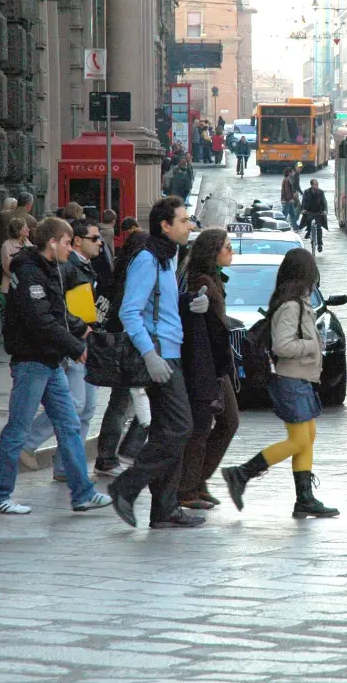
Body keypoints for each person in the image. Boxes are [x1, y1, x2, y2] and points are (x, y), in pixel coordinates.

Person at [0, 218, 112, 515]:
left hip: (49, 361)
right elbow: (41, 321)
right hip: (32, 362)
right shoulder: (30, 274)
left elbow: (58, 312)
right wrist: (76, 346)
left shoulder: (47, 270)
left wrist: (80, 330)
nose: (70, 247)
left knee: (68, 424)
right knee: (18, 429)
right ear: (52, 242)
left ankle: (82, 493)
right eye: (67, 242)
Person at [107, 196, 209, 530]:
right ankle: (127, 486)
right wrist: (150, 355)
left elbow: (161, 304)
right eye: (183, 221)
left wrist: (190, 301)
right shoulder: (148, 259)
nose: (188, 226)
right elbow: (129, 311)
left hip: (170, 352)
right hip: (159, 356)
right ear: (165, 226)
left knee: (171, 430)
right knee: (180, 427)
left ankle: (164, 510)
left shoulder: (167, 258)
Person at [221, 249, 339, 519]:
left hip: (300, 378)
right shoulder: (291, 306)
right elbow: (282, 345)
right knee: (299, 440)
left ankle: (305, 498)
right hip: (290, 379)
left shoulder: (299, 302)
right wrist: (313, 345)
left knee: (307, 437)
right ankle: (242, 473)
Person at [20, 219, 105, 480]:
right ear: (77, 241)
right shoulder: (66, 265)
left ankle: (67, 466)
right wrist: (79, 331)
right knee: (75, 405)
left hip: (85, 341)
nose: (100, 242)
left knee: (87, 407)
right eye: (94, 237)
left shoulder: (83, 266)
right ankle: (27, 443)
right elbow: (59, 309)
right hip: (73, 343)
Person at [178, 228, 240, 509]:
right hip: (206, 362)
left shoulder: (213, 278)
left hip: (217, 360)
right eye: (227, 247)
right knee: (205, 425)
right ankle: (188, 487)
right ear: (213, 251)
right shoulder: (201, 280)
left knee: (226, 422)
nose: (231, 252)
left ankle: (197, 480)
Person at [93, 227, 150, 478]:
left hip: (125, 345)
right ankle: (116, 454)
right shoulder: (134, 276)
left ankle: (122, 452)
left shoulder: (123, 271)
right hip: (130, 347)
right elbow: (126, 312)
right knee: (124, 402)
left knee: (125, 402)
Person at [0, 217, 31, 295]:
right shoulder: (7, 246)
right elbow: (8, 268)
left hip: (26, 286)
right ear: (19, 230)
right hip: (12, 287)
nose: (29, 229)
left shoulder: (28, 243)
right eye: (26, 227)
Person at [300, 179, 328, 252]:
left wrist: (325, 210)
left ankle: (319, 244)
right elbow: (303, 202)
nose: (317, 186)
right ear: (311, 185)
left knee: (319, 227)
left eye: (317, 184)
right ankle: (309, 232)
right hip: (309, 211)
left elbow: (324, 202)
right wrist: (303, 209)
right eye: (315, 184)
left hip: (318, 212)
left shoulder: (321, 192)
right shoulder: (306, 192)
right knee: (308, 220)